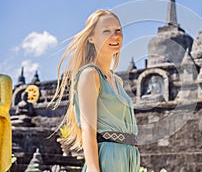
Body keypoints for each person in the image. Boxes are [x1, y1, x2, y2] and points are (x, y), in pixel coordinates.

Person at [51, 10, 140, 172]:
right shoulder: (90, 74)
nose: (115, 36)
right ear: (91, 38)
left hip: (130, 157)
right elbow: (88, 130)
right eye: (106, 31)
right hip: (108, 157)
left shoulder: (117, 80)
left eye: (118, 30)